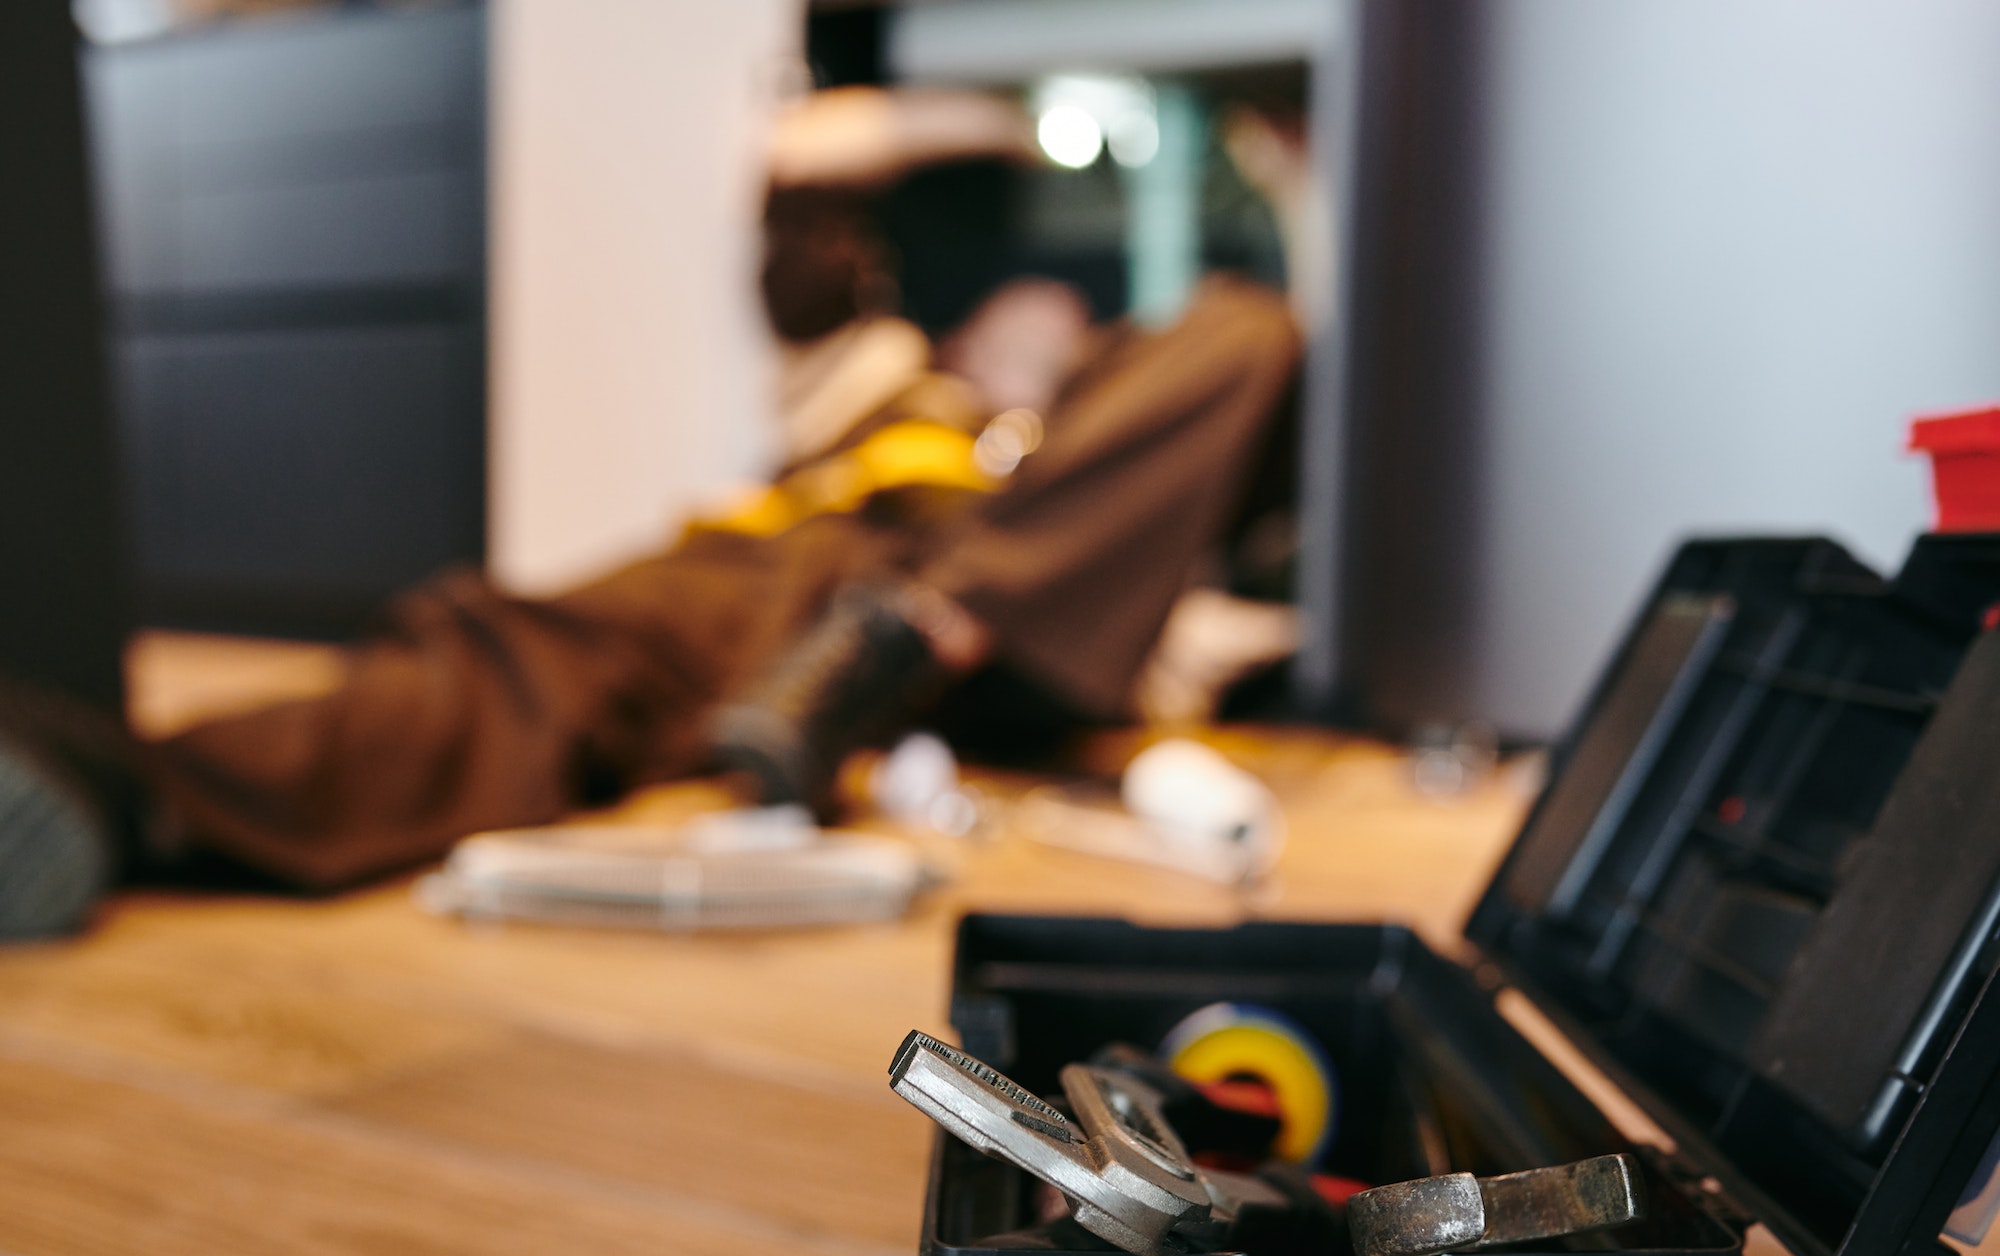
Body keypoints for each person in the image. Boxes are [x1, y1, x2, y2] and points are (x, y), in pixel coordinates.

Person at [0, 89, 1302, 936]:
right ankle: (110, 786)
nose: (1047, 325)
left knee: (1247, 319)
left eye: (1071, 330)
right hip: (772, 584)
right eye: (1019, 315)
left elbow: (1251, 345)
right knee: (498, 661)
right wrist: (1019, 115)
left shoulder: (1118, 459)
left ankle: (918, 626)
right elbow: (805, 162)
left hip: (987, 641)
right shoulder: (868, 375)